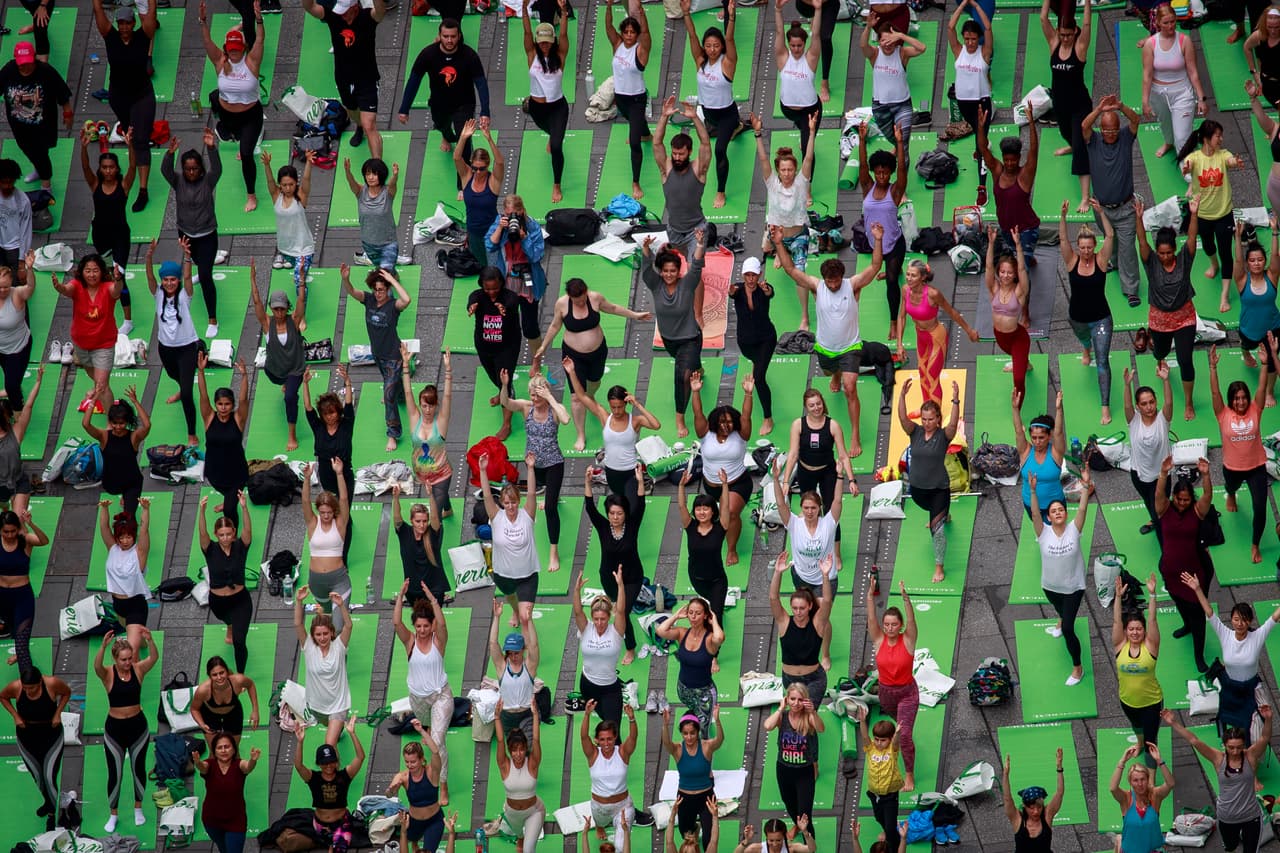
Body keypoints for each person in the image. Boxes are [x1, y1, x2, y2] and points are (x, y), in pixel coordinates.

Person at [775, 223, 885, 458]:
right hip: (825, 347)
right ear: (824, 279)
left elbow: (875, 266)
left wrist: (877, 240)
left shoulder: (852, 285)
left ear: (841, 277)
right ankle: (834, 373)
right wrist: (777, 243)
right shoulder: (817, 286)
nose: (833, 284)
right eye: (829, 281)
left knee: (850, 388)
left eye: (836, 280)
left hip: (850, 347)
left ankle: (855, 432)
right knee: (829, 374)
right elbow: (791, 270)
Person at [534, 278, 651, 450]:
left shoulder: (595, 298)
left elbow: (612, 308)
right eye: (576, 300)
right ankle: (580, 433)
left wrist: (635, 315)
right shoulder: (562, 304)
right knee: (576, 396)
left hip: (597, 352)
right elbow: (554, 326)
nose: (580, 302)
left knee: (594, 382)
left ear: (586, 291)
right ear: (569, 296)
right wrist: (544, 346)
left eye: (582, 298)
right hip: (573, 356)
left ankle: (588, 397)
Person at [400, 17, 492, 191]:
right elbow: (414, 80)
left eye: (453, 36)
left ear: (459, 36)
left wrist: (485, 111)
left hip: (464, 105)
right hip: (439, 104)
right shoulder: (428, 54)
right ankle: (445, 135)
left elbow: (481, 83)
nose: (449, 40)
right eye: (446, 36)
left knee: (463, 139)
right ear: (440, 36)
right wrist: (404, 108)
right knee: (442, 126)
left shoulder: (469, 55)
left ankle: (462, 184)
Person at [1183, 577, 1280, 739]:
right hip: (1230, 687)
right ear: (1231, 619)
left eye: (1244, 620)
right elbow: (1209, 612)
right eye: (1236, 619)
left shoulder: (1257, 636)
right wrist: (1197, 589)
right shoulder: (1225, 634)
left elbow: (1274, 617)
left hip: (1251, 688)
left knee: (1259, 725)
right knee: (1233, 725)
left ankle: (1255, 752)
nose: (1239, 623)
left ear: (1250, 621)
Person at [1165, 707, 1270, 853]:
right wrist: (1174, 723)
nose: (1235, 751)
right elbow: (1194, 741)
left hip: (1251, 816)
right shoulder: (1218, 758)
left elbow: (1264, 738)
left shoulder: (1250, 756)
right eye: (1231, 747)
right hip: (1227, 817)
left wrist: (1268, 719)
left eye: (1239, 747)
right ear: (1224, 745)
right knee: (1230, 847)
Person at [1137, 196, 1202, 420]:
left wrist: (1194, 213)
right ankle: (1158, 354)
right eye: (1161, 253)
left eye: (1168, 252)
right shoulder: (1151, 261)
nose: (1165, 257)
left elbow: (1192, 237)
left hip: (1184, 317)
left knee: (1185, 359)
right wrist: (1139, 218)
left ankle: (1189, 402)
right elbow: (1142, 242)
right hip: (1160, 319)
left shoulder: (1184, 258)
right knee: (1160, 352)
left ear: (1174, 249)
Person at [1028, 466, 1093, 686]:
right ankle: (1059, 618)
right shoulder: (1042, 532)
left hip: (1074, 587)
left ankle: (1078, 667)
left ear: (1065, 514)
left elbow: (1083, 510)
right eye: (1053, 510)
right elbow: (1035, 513)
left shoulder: (1074, 529)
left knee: (1068, 628)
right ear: (1049, 516)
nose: (1057, 512)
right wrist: (1033, 492)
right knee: (1060, 612)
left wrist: (1085, 486)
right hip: (1050, 586)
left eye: (1061, 510)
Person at [198, 3, 265, 213]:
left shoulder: (252, 61)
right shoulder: (219, 61)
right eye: (231, 50)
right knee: (232, 135)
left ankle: (251, 194)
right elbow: (207, 42)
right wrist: (203, 21)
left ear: (243, 48)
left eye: (238, 50)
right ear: (227, 48)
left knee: (246, 154)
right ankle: (232, 134)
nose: (235, 53)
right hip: (228, 117)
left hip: (250, 116)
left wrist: (259, 20)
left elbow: (261, 39)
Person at [640, 229, 707, 438]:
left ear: (679, 271)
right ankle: (698, 367)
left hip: (690, 338)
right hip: (670, 340)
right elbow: (646, 271)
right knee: (691, 367)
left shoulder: (686, 285)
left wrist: (700, 245)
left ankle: (680, 416)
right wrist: (646, 249)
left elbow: (696, 266)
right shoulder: (656, 285)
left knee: (682, 375)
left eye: (673, 271)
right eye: (665, 271)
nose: (669, 274)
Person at [1210, 342, 1272, 564]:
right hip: (1232, 468)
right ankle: (1233, 494)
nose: (1241, 401)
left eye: (1243, 397)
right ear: (1231, 400)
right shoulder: (1223, 414)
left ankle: (1255, 544)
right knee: (1230, 487)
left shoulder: (1256, 409)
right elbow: (1215, 391)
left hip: (1256, 467)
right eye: (1236, 398)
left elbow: (1262, 389)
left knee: (1260, 508)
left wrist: (1265, 364)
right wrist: (1213, 368)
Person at [91, 0, 156, 212]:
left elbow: (151, 16)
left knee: (140, 140)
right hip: (119, 98)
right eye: (121, 23)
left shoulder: (142, 36)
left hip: (142, 96)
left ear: (134, 22)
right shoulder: (111, 37)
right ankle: (131, 172)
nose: (125, 27)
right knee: (131, 136)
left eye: (128, 23)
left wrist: (151, 2)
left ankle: (144, 191)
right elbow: (99, 12)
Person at [393, 581, 454, 806]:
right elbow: (397, 622)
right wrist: (400, 596)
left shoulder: (439, 641)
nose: (422, 630)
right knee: (429, 733)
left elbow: (443, 624)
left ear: (431, 625)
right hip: (417, 699)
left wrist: (433, 599)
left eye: (426, 626)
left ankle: (443, 783)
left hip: (441, 696)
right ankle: (429, 729)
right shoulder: (410, 642)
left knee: (437, 742)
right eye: (418, 626)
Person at [501, 372, 569, 572]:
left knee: (550, 508)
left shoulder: (554, 410)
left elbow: (565, 419)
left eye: (538, 396)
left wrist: (550, 397)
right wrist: (505, 385)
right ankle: (550, 498)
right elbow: (506, 403)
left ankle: (553, 552)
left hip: (554, 463)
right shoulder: (526, 407)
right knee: (538, 495)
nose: (534, 399)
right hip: (533, 465)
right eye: (532, 395)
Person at [300, 0, 386, 158]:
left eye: (345, 11)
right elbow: (309, 7)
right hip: (343, 78)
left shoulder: (368, 18)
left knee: (370, 125)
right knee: (353, 112)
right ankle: (358, 126)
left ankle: (377, 166)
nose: (342, 15)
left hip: (367, 79)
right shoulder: (334, 16)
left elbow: (381, 10)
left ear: (355, 7)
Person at [93, 629, 159, 832]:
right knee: (115, 772)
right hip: (115, 729)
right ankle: (113, 814)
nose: (128, 663)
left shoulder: (138, 670)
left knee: (138, 768)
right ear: (115, 659)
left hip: (138, 727)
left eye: (130, 658)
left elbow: (153, 658)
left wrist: (150, 640)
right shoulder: (108, 674)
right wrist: (103, 646)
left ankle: (138, 808)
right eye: (123, 660)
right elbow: (96, 667)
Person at [780, 390, 855, 567]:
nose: (816, 408)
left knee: (831, 511)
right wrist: (785, 482)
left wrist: (851, 480)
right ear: (806, 407)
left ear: (823, 403)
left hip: (827, 471)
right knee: (810, 509)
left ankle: (836, 553)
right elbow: (792, 454)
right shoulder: (798, 425)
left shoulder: (832, 425)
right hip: (805, 471)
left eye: (818, 404)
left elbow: (843, 455)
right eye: (812, 405)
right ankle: (812, 545)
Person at [565, 361, 660, 500]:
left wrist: (638, 405)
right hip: (611, 471)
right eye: (613, 407)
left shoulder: (635, 421)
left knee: (632, 505)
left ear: (626, 403)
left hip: (630, 472)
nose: (616, 411)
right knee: (619, 503)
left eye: (620, 407)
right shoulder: (605, 417)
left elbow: (656, 425)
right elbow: (581, 396)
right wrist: (572, 372)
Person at [896, 380, 961, 583]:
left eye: (931, 419)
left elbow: (953, 423)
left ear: (938, 419)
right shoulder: (914, 432)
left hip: (939, 490)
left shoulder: (944, 436)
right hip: (918, 491)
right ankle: (943, 515)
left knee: (937, 531)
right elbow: (902, 418)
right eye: (924, 419)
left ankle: (939, 566)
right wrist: (902, 396)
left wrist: (956, 399)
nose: (926, 423)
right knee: (934, 514)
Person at [753, 112, 818, 316]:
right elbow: (763, 159)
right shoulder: (772, 184)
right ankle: (778, 252)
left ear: (795, 170)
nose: (787, 173)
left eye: (790, 170)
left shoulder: (801, 182)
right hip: (777, 236)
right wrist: (757, 134)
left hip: (798, 237)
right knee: (765, 247)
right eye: (783, 170)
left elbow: (808, 157)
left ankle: (805, 316)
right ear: (778, 171)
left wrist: (812, 131)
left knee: (799, 275)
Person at [1179, 120, 1246, 314]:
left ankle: (1224, 294)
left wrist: (1237, 162)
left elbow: (1230, 160)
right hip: (1203, 215)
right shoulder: (1195, 158)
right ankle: (1213, 264)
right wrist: (1186, 169)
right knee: (1208, 245)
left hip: (1224, 213)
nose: (1221, 139)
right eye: (1218, 136)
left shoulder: (1223, 154)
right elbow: (1189, 164)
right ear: (1207, 138)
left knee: (1226, 252)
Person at [683, 0, 745, 208]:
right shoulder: (700, 61)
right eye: (708, 45)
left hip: (727, 114)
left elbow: (729, 37)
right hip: (708, 113)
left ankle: (721, 191)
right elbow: (692, 36)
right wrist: (686, 14)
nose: (712, 49)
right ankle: (738, 128)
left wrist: (732, 15)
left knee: (719, 150)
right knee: (705, 146)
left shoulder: (727, 63)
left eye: (716, 46)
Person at [1059, 201, 1117, 423]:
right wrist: (1063, 216)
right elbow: (1063, 240)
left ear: (1094, 246)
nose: (1085, 251)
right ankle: (1085, 348)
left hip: (1101, 319)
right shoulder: (1071, 260)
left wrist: (1101, 212)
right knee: (1085, 340)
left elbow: (1110, 237)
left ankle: (1105, 405)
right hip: (1077, 319)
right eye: (1082, 247)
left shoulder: (1101, 261)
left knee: (1102, 362)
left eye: (1089, 247)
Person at [1083, 95, 1142, 308]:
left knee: (1128, 248)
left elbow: (1136, 120)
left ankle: (1131, 289)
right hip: (1101, 209)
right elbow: (1084, 126)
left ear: (1119, 128)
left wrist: (1121, 106)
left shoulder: (1126, 137)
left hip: (1125, 208)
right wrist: (1099, 109)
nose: (1110, 133)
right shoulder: (1094, 140)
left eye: (1113, 129)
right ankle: (1114, 262)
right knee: (1112, 240)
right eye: (1106, 129)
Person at [1156, 456, 1215, 672]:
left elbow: (1208, 495)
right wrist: (1163, 474)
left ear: (1191, 499)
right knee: (1179, 602)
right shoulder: (1164, 509)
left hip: (1194, 576)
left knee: (1199, 616)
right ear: (1174, 497)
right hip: (1171, 573)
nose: (1182, 503)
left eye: (1186, 500)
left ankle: (1198, 655)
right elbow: (1158, 494)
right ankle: (1186, 625)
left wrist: (1206, 474)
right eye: (1179, 499)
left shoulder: (1197, 511)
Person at [161, 131, 222, 337]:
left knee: (205, 275)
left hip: (207, 234)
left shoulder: (208, 181)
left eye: (195, 168)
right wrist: (170, 154)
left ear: (201, 169)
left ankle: (212, 318)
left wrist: (212, 148)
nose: (191, 172)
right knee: (197, 261)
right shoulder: (178, 181)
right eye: (187, 169)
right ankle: (208, 261)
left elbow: (218, 168)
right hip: (186, 233)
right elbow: (165, 171)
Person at [583, 465, 647, 661]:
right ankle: (622, 634)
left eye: (619, 513)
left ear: (625, 514)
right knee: (619, 610)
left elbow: (641, 503)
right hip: (609, 577)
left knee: (622, 611)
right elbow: (590, 507)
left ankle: (630, 647)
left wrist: (640, 481)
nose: (615, 517)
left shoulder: (633, 524)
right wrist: (587, 482)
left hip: (632, 577)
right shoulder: (603, 526)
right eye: (612, 513)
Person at [344, 267, 412, 450]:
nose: (378, 293)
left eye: (381, 289)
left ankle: (393, 433)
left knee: (388, 395)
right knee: (393, 387)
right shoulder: (369, 300)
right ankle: (402, 391)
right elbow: (351, 292)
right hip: (378, 355)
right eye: (376, 289)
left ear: (388, 289)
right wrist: (346, 279)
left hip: (393, 356)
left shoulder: (393, 306)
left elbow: (407, 300)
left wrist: (392, 279)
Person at [690, 375, 754, 563]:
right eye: (722, 423)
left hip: (737, 484)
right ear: (715, 423)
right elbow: (698, 413)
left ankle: (731, 549)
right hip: (711, 485)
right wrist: (695, 391)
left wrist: (748, 394)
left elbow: (746, 415)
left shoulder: (741, 434)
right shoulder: (705, 434)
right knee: (717, 517)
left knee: (731, 513)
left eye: (730, 422)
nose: (726, 426)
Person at [895, 261, 978, 405]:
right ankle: (926, 409)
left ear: (922, 277)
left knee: (932, 376)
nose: (908, 278)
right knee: (922, 373)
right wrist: (899, 344)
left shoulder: (933, 294)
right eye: (908, 274)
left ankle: (935, 415)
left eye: (913, 275)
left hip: (936, 337)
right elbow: (901, 316)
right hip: (921, 336)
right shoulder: (905, 290)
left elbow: (951, 312)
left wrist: (969, 330)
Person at [0, 665, 69, 831]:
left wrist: (58, 713)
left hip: (51, 735)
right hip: (27, 736)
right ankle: (48, 801)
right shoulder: (16, 687)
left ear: (40, 682)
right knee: (38, 777)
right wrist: (15, 716)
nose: (29, 691)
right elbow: (3, 697)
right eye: (26, 688)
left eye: (32, 688)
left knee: (49, 776)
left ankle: (53, 814)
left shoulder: (51, 683)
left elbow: (66, 693)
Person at [1039, 0, 1093, 209]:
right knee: (1066, 133)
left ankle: (1085, 197)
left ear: (1075, 33)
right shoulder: (1054, 43)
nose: (1065, 38)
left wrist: (1087, 3)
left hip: (1080, 105)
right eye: (1062, 34)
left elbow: (1087, 25)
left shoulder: (1080, 47)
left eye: (1069, 35)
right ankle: (1074, 144)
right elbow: (1043, 18)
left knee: (1080, 147)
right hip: (1060, 104)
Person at [857, 125, 909, 341]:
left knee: (891, 282)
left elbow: (902, 171)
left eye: (885, 172)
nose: (881, 176)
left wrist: (899, 142)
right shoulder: (868, 187)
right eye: (878, 172)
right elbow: (861, 165)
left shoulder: (895, 190)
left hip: (895, 243)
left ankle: (894, 322)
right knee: (886, 270)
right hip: (875, 244)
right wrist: (861, 140)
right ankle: (892, 270)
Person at [0, 41, 72, 196]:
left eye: (27, 63)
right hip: (18, 124)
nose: (24, 67)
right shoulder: (9, 70)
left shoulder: (45, 71)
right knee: (28, 149)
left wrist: (67, 113)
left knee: (40, 153)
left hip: (43, 124)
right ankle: (39, 170)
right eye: (21, 64)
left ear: (33, 59)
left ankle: (46, 186)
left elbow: (62, 93)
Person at [52, 254, 122, 411]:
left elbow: (116, 291)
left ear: (102, 271)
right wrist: (58, 287)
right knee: (95, 377)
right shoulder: (77, 285)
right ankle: (96, 390)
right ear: (82, 272)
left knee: (102, 386)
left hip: (104, 344)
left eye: (95, 270)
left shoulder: (107, 287)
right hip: (81, 344)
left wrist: (118, 279)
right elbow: (67, 290)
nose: (91, 275)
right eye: (88, 270)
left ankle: (111, 421)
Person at [145, 240, 199, 445]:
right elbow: (149, 277)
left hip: (187, 348)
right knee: (173, 375)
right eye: (166, 280)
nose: (169, 283)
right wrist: (149, 256)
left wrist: (186, 256)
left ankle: (191, 431)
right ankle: (182, 387)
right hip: (165, 348)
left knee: (187, 393)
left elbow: (187, 276)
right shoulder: (157, 294)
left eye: (172, 280)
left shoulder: (186, 296)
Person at [866, 582, 918, 791]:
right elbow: (871, 619)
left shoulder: (908, 640)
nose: (889, 628)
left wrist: (906, 598)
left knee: (903, 735)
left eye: (893, 624)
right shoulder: (879, 640)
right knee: (901, 727)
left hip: (907, 693)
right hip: (886, 694)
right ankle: (906, 738)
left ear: (901, 625)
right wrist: (870, 595)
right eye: (886, 624)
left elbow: (913, 620)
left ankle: (909, 774)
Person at [480, 450, 541, 630]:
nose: (511, 506)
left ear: (518, 501)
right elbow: (487, 496)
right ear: (502, 503)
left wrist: (530, 468)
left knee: (525, 618)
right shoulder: (496, 516)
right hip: (503, 574)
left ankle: (529, 651)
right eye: (507, 503)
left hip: (527, 575)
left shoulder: (527, 515)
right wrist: (483, 471)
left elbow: (531, 493)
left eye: (513, 502)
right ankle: (514, 610)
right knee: (511, 597)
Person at [249, 270, 307, 452]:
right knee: (282, 382)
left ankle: (292, 434)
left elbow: (301, 301)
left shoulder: (294, 321)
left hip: (295, 369)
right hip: (274, 370)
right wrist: (253, 280)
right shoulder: (267, 323)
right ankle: (285, 385)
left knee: (290, 397)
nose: (279, 312)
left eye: (282, 308)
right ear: (272, 309)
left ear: (286, 308)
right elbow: (257, 302)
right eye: (276, 309)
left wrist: (302, 281)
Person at [290, 718, 365, 853]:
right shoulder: (314, 778)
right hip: (320, 826)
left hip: (342, 823)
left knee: (338, 850)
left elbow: (360, 757)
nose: (329, 766)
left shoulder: (344, 776)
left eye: (331, 762)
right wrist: (300, 742)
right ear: (319, 764)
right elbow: (298, 766)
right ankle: (331, 844)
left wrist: (352, 733)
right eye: (325, 763)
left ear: (336, 762)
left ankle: (334, 845)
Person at [1141, 3, 1207, 158]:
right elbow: (1147, 75)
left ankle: (1189, 174)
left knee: (1182, 137)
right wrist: (1145, 101)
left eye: (1172, 22)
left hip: (1182, 92)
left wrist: (1201, 98)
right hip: (1158, 93)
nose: (1170, 26)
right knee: (1165, 124)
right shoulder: (1150, 44)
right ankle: (1168, 142)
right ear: (1158, 23)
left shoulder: (1185, 41)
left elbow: (1193, 72)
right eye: (1166, 23)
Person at [976, 105, 1040, 262]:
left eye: (1014, 160)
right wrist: (981, 126)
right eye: (1007, 160)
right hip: (1006, 229)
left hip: (1026, 230)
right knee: (1015, 258)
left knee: (1019, 270)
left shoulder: (1025, 175)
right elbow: (983, 149)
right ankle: (1028, 258)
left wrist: (1031, 122)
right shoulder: (998, 170)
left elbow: (1033, 150)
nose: (1010, 163)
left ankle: (1026, 258)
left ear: (1019, 158)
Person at [199, 492, 254, 673]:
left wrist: (244, 508)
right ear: (216, 534)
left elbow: (247, 530)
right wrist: (202, 511)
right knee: (227, 620)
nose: (225, 538)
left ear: (233, 533)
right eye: (221, 535)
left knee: (239, 641)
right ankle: (229, 625)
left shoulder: (241, 546)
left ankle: (240, 674)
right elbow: (202, 532)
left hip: (240, 600)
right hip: (218, 602)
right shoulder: (210, 549)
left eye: (228, 534)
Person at [292, 584, 353, 746]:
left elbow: (348, 626)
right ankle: (338, 730)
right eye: (318, 634)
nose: (322, 637)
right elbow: (298, 624)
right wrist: (298, 602)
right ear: (313, 636)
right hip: (317, 706)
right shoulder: (309, 646)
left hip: (339, 705)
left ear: (332, 632)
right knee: (332, 730)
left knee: (329, 745)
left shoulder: (339, 646)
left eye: (325, 633)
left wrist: (341, 606)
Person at [769, 551, 833, 705]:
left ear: (810, 606)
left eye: (802, 608)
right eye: (795, 608)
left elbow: (827, 601)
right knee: (797, 717)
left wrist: (825, 575)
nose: (798, 612)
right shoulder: (784, 622)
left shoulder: (817, 623)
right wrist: (778, 572)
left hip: (814, 679)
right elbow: (773, 598)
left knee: (807, 717)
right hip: (790, 680)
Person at [522, 0, 570, 203]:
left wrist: (563, 12)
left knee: (557, 146)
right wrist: (524, 8)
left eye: (547, 41)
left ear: (552, 41)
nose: (544, 45)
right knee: (550, 131)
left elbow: (564, 36)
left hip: (558, 106)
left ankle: (556, 183)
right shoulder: (532, 54)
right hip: (536, 108)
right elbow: (526, 33)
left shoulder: (560, 55)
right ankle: (553, 134)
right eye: (541, 41)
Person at [1113, 573, 1164, 764]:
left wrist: (1152, 595)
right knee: (1136, 727)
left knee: (1152, 742)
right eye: (1131, 629)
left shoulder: (1151, 646)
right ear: (1126, 632)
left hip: (1151, 703)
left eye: (1139, 629)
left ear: (1144, 631)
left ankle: (1151, 778)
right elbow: (1117, 621)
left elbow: (1152, 620)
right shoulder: (1120, 645)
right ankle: (1139, 742)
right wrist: (1118, 597)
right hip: (1127, 701)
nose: (1135, 632)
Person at [486, 194, 547, 353]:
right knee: (507, 322)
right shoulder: (500, 222)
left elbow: (536, 256)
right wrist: (500, 227)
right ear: (504, 213)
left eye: (516, 214)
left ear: (522, 211)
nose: (513, 218)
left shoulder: (532, 226)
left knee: (530, 326)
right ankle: (507, 357)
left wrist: (524, 238)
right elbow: (489, 245)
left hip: (528, 280)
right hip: (506, 281)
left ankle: (536, 361)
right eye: (508, 214)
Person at [302, 365, 357, 541]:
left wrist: (347, 382)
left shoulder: (346, 425)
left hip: (345, 472)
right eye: (326, 414)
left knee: (345, 502)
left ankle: (346, 528)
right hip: (326, 472)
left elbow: (349, 404)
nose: (329, 417)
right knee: (335, 505)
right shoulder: (318, 427)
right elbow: (308, 407)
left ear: (337, 412)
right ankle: (343, 520)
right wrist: (305, 384)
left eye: (332, 413)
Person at [603, 0, 652, 198]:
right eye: (626, 32)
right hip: (621, 99)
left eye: (633, 32)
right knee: (636, 124)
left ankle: (636, 182)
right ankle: (646, 133)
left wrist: (642, 14)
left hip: (637, 99)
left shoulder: (640, 50)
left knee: (634, 142)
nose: (629, 35)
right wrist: (608, 7)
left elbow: (647, 35)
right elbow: (608, 27)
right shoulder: (617, 45)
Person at [947, 0, 994, 202]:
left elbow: (988, 27)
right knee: (977, 134)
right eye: (967, 39)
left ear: (979, 38)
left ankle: (982, 186)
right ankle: (981, 146)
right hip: (964, 103)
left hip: (982, 104)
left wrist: (976, 7)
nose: (970, 43)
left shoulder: (984, 52)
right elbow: (950, 27)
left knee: (981, 142)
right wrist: (962, 5)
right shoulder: (959, 51)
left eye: (973, 39)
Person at [655, 96, 713, 254]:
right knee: (678, 268)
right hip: (673, 231)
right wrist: (664, 116)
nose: (677, 158)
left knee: (694, 268)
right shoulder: (666, 168)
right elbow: (657, 143)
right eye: (674, 154)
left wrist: (694, 117)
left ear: (689, 152)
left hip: (697, 230)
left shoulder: (698, 169)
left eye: (681, 154)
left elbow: (705, 143)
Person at [197, 353, 250, 526]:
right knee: (229, 498)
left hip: (237, 473)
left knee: (229, 510)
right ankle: (229, 499)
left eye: (227, 404)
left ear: (231, 405)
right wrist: (201, 371)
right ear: (216, 404)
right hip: (215, 473)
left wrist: (244, 376)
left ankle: (233, 533)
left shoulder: (238, 419)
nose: (223, 407)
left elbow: (243, 400)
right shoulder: (209, 417)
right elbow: (203, 395)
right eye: (220, 404)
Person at [661, 706, 724, 851]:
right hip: (685, 798)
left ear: (698, 732)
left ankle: (702, 827)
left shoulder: (706, 747)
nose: (689, 737)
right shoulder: (677, 749)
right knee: (686, 835)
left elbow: (720, 740)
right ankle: (696, 827)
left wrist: (718, 720)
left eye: (692, 733)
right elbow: (666, 743)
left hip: (706, 797)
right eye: (685, 734)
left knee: (709, 839)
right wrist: (665, 725)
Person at [469, 267, 522, 440]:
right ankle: (501, 393)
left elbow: (512, 304)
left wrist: (503, 308)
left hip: (506, 348)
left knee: (505, 383)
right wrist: (472, 307)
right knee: (494, 377)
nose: (491, 292)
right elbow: (471, 300)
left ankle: (507, 424)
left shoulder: (510, 298)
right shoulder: (478, 296)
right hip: (484, 347)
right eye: (487, 289)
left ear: (501, 284)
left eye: (495, 288)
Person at [764, 684, 823, 836]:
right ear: (787, 699)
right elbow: (768, 726)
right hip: (784, 769)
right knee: (790, 805)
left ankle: (809, 843)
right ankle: (797, 825)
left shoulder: (808, 717)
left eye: (800, 699)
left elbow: (821, 728)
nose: (796, 703)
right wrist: (780, 709)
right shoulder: (782, 717)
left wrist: (813, 712)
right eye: (792, 699)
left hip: (804, 772)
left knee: (805, 814)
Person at [859, 13, 926, 147]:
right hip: (880, 106)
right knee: (894, 141)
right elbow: (863, 46)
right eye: (884, 41)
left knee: (902, 142)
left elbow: (922, 48)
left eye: (891, 41)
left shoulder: (902, 53)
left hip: (902, 104)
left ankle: (902, 161)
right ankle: (897, 151)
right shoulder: (875, 54)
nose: (888, 45)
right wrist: (868, 27)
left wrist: (901, 36)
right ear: (878, 41)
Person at [301, 459, 352, 633]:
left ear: (334, 511)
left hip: (339, 580)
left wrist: (339, 473)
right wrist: (307, 479)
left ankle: (340, 656)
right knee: (324, 627)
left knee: (337, 628)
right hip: (316, 582)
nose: (325, 516)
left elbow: (344, 499)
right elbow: (306, 502)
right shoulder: (312, 523)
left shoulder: (340, 524)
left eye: (329, 512)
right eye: (322, 512)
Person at [657, 600, 725, 730]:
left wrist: (714, 619)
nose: (693, 617)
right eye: (690, 612)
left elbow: (720, 638)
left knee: (703, 730)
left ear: (705, 615)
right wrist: (676, 616)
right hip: (684, 690)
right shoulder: (682, 633)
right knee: (694, 718)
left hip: (704, 693)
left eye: (698, 613)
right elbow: (661, 630)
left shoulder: (709, 639)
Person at [403, 345, 454, 517]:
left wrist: (448, 371)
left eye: (431, 406)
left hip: (441, 475)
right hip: (422, 474)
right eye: (424, 405)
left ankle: (441, 514)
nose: (427, 409)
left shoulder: (441, 422)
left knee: (434, 517)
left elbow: (447, 397)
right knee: (440, 498)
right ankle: (448, 507)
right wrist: (405, 366)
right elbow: (408, 392)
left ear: (436, 406)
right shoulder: (415, 419)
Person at [774, 0, 822, 182]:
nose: (796, 49)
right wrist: (778, 9)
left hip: (810, 111)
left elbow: (816, 34)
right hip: (788, 109)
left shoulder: (810, 58)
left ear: (804, 44)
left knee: (807, 147)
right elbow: (779, 31)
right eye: (793, 46)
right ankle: (801, 129)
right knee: (802, 135)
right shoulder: (783, 57)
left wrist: (817, 9)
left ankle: (807, 187)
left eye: (799, 46)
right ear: (788, 44)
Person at [1124, 365, 1175, 536]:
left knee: (1160, 512)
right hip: (1139, 474)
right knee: (1149, 503)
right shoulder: (1134, 420)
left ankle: (1166, 544)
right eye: (1144, 404)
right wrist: (1127, 385)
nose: (1149, 407)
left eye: (1151, 402)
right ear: (1138, 406)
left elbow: (1169, 402)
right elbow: (1126, 405)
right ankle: (1155, 520)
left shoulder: (1163, 419)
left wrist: (1166, 380)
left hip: (1161, 476)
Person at [574, 569, 629, 725]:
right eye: (596, 619)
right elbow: (578, 612)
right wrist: (577, 590)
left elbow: (621, 610)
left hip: (610, 688)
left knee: (613, 728)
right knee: (604, 723)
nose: (599, 623)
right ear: (592, 617)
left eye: (603, 619)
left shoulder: (616, 631)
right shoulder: (586, 628)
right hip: (587, 685)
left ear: (609, 617)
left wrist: (620, 586)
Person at [677, 471, 731, 631]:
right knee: (713, 605)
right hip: (697, 578)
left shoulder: (721, 527)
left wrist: (725, 484)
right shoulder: (690, 526)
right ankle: (716, 605)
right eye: (698, 509)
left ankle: (714, 653)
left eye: (706, 509)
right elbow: (681, 506)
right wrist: (681, 485)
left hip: (717, 580)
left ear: (713, 511)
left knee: (716, 616)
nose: (701, 512)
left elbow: (726, 506)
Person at [728, 259, 777, 434]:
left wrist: (767, 290)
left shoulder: (764, 289)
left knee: (759, 378)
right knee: (756, 362)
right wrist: (731, 292)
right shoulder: (738, 289)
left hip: (766, 338)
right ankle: (758, 363)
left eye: (754, 275)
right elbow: (732, 293)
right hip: (745, 342)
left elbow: (770, 293)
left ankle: (768, 417)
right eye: (747, 275)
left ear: (759, 275)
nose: (750, 279)